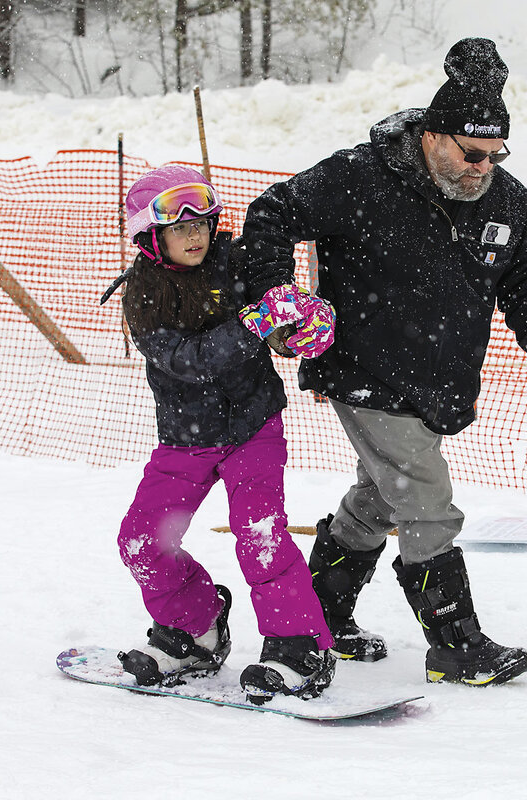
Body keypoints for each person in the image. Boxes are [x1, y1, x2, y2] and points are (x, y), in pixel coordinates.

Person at [239, 38, 527, 687]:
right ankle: (455, 644)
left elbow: (523, 281)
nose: (483, 167)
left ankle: (321, 616)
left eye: (495, 154)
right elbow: (273, 212)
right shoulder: (361, 177)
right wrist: (277, 297)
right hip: (362, 366)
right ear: (431, 135)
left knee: (379, 498)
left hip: (436, 378)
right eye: (470, 153)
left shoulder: (505, 200)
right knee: (424, 497)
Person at [107, 164, 339, 703]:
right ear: (150, 237)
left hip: (252, 428)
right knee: (141, 542)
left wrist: (303, 326)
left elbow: (279, 313)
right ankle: (196, 629)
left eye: (201, 224)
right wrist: (254, 324)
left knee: (260, 534)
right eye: (179, 228)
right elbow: (190, 361)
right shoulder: (143, 295)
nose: (194, 236)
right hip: (184, 440)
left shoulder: (237, 264)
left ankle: (298, 647)